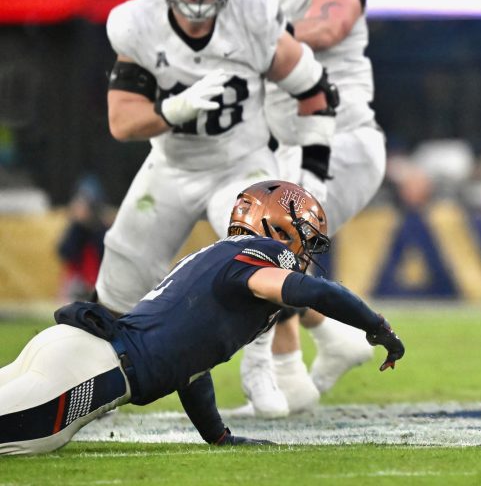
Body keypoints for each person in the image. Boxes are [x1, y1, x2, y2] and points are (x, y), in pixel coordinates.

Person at [0, 180, 405, 455]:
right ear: (280, 231)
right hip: (94, 373)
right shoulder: (262, 254)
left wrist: (218, 436)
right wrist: (377, 327)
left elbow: (191, 367)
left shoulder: (213, 259)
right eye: (304, 238)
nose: (305, 253)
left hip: (75, 352)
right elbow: (315, 291)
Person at [95, 0, 333, 354]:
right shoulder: (139, 24)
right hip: (171, 166)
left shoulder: (251, 17)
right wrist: (175, 109)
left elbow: (314, 88)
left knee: (272, 254)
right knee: (121, 274)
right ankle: (103, 367)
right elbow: (122, 122)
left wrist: (314, 172)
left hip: (241, 163)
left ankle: (294, 360)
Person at [234, 0, 387, 417]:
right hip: (286, 145)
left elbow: (328, 24)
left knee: (265, 244)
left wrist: (247, 38)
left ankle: (282, 374)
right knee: (260, 245)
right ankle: (317, 349)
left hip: (342, 140)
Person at [57, 176, 111, 303]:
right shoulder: (76, 230)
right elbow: (65, 253)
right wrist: (78, 226)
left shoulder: (102, 231)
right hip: (78, 282)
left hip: (98, 283)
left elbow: (104, 256)